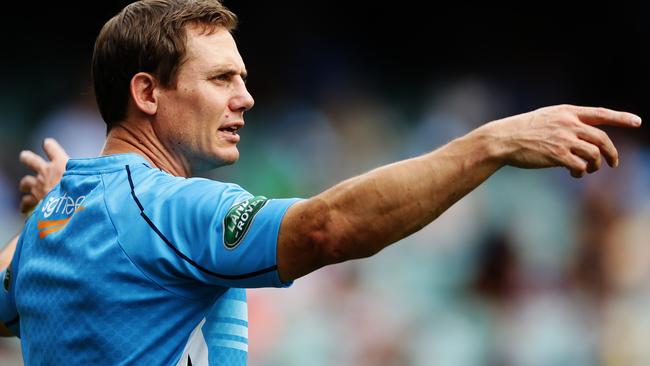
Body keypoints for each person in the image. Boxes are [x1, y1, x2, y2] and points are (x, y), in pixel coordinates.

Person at [0, 0, 642, 364]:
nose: (245, 99)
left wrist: (52, 209)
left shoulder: (55, 225)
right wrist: (491, 142)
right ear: (147, 91)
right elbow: (327, 227)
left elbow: (12, 301)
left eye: (244, 79)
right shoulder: (168, 208)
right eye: (221, 79)